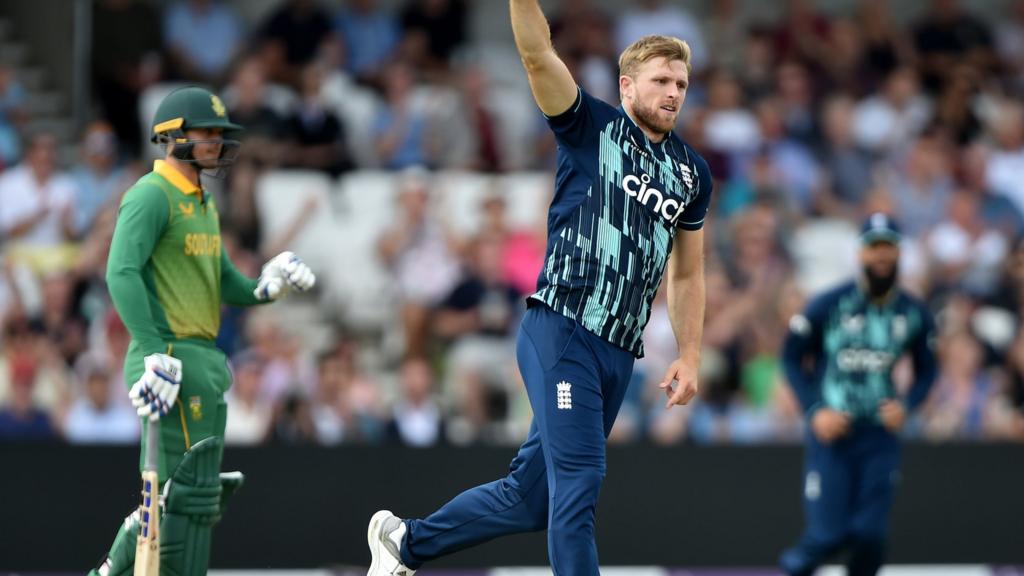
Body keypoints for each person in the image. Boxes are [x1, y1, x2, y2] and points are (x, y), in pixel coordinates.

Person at [366, 1, 712, 573]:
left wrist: (691, 352)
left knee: (533, 500)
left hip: (618, 354)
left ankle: (405, 543)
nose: (674, 92)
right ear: (627, 86)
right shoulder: (591, 125)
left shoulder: (691, 172)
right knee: (580, 479)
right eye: (660, 80)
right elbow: (535, 53)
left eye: (681, 83)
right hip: (563, 327)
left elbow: (689, 270)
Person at [89, 86, 315, 576]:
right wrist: (151, 350)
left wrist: (264, 287)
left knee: (193, 499)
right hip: (168, 358)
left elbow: (221, 279)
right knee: (181, 496)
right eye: (206, 132)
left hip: (202, 361)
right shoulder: (151, 195)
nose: (216, 141)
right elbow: (120, 272)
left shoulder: (203, 203)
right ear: (172, 136)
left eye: (219, 133)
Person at [779, 213, 938, 576]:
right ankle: (790, 570)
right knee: (827, 534)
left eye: (888, 247)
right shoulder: (828, 304)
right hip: (833, 435)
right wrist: (814, 410)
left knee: (870, 536)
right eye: (874, 247)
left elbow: (928, 369)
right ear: (861, 253)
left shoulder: (913, 313)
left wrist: (907, 406)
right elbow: (790, 358)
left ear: (899, 253)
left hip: (879, 437)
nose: (881, 256)